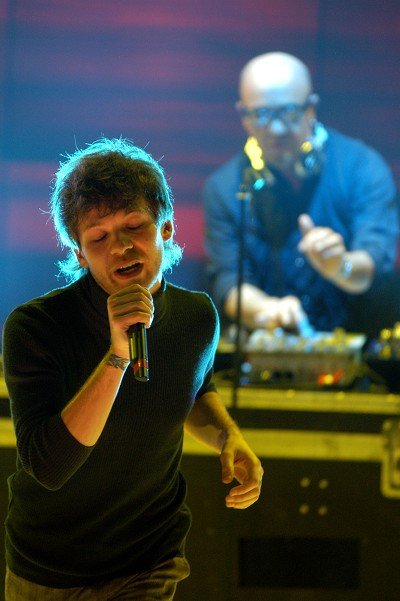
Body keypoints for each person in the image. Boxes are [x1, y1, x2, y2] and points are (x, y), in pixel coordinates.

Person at [2, 137, 263, 600]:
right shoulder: (36, 327)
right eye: (98, 237)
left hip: (148, 559)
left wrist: (229, 437)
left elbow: (193, 388)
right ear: (79, 254)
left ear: (166, 228)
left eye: (133, 226)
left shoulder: (196, 317)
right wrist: (117, 356)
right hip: (49, 569)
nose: (120, 247)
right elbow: (49, 466)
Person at [203, 51, 399, 336]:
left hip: (363, 349)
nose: (277, 129)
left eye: (289, 112)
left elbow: (373, 265)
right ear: (244, 116)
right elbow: (228, 281)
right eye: (261, 115)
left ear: (311, 108)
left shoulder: (362, 168)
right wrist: (269, 310)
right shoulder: (224, 188)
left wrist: (340, 266)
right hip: (270, 350)